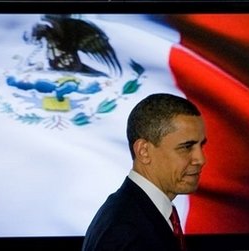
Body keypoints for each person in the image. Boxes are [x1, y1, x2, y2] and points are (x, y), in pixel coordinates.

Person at [82, 93, 207, 251]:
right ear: (144, 151)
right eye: (186, 147)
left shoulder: (137, 213)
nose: (200, 159)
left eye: (201, 146)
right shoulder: (125, 231)